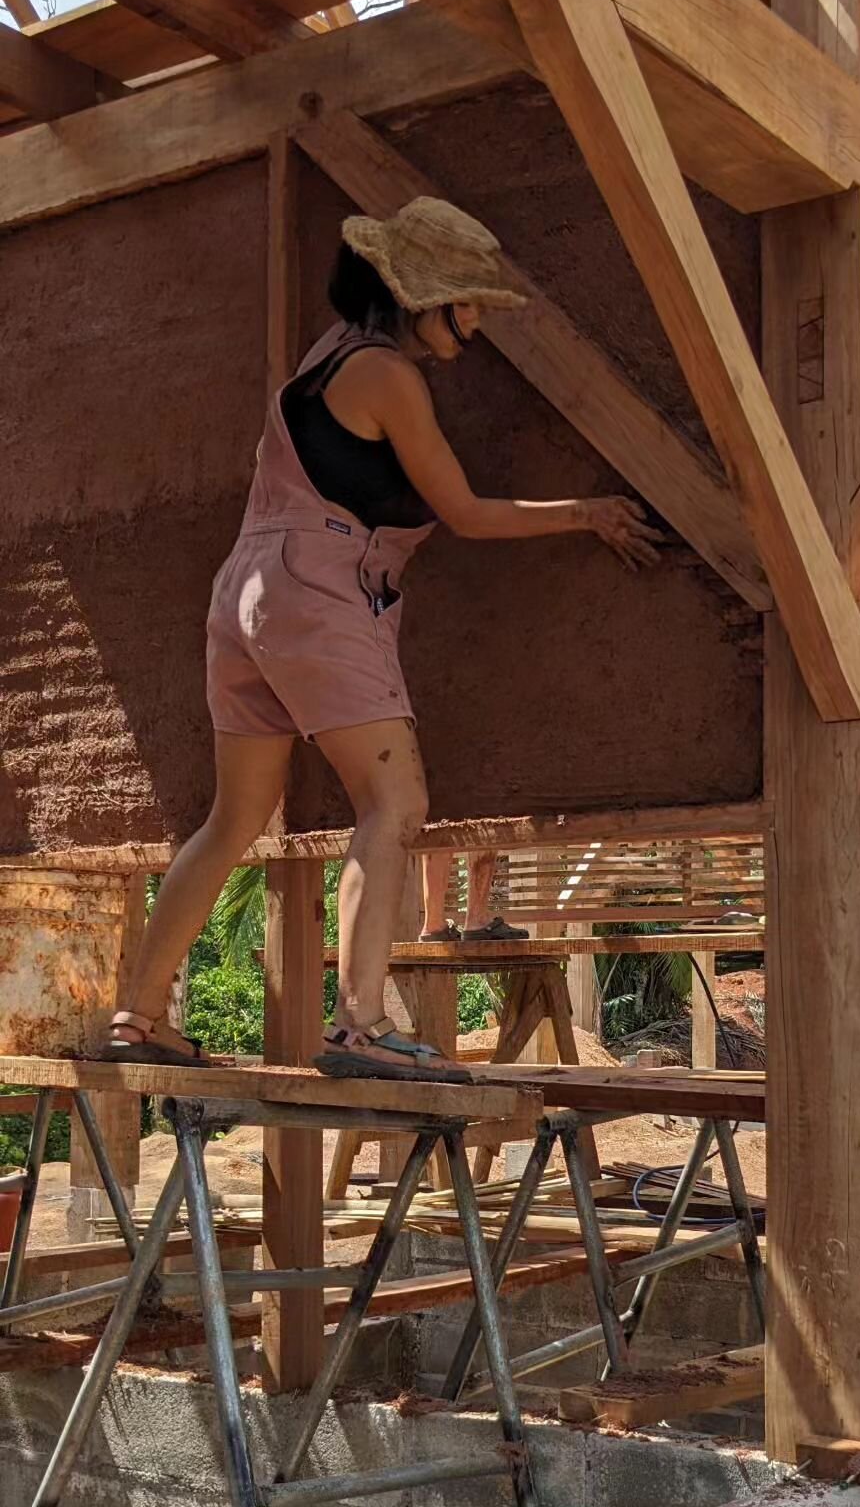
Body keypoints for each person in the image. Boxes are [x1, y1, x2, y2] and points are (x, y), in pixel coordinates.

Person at [102, 198, 662, 1084]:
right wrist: (587, 513)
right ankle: (360, 1028)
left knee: (233, 819)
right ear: (417, 299)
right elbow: (467, 514)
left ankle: (137, 1016)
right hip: (320, 591)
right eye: (464, 303)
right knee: (393, 804)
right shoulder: (390, 377)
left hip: (248, 593)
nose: (473, 324)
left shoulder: (325, 355)